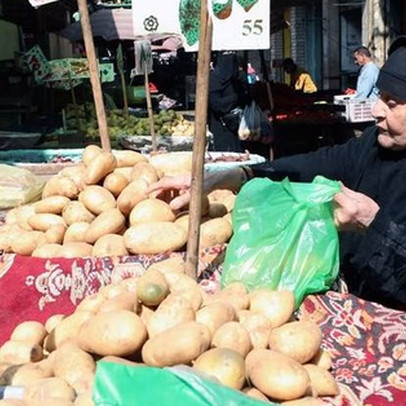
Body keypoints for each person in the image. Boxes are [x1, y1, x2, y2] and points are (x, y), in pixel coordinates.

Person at [147, 37, 406, 310]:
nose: (376, 110)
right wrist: (233, 175)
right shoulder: (373, 143)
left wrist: (372, 222)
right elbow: (317, 163)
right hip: (353, 300)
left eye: (392, 102)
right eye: (379, 96)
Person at [208, 52, 250, 152]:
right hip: (220, 126)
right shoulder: (214, 78)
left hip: (239, 126)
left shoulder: (239, 77)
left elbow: (248, 97)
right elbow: (216, 104)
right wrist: (235, 97)